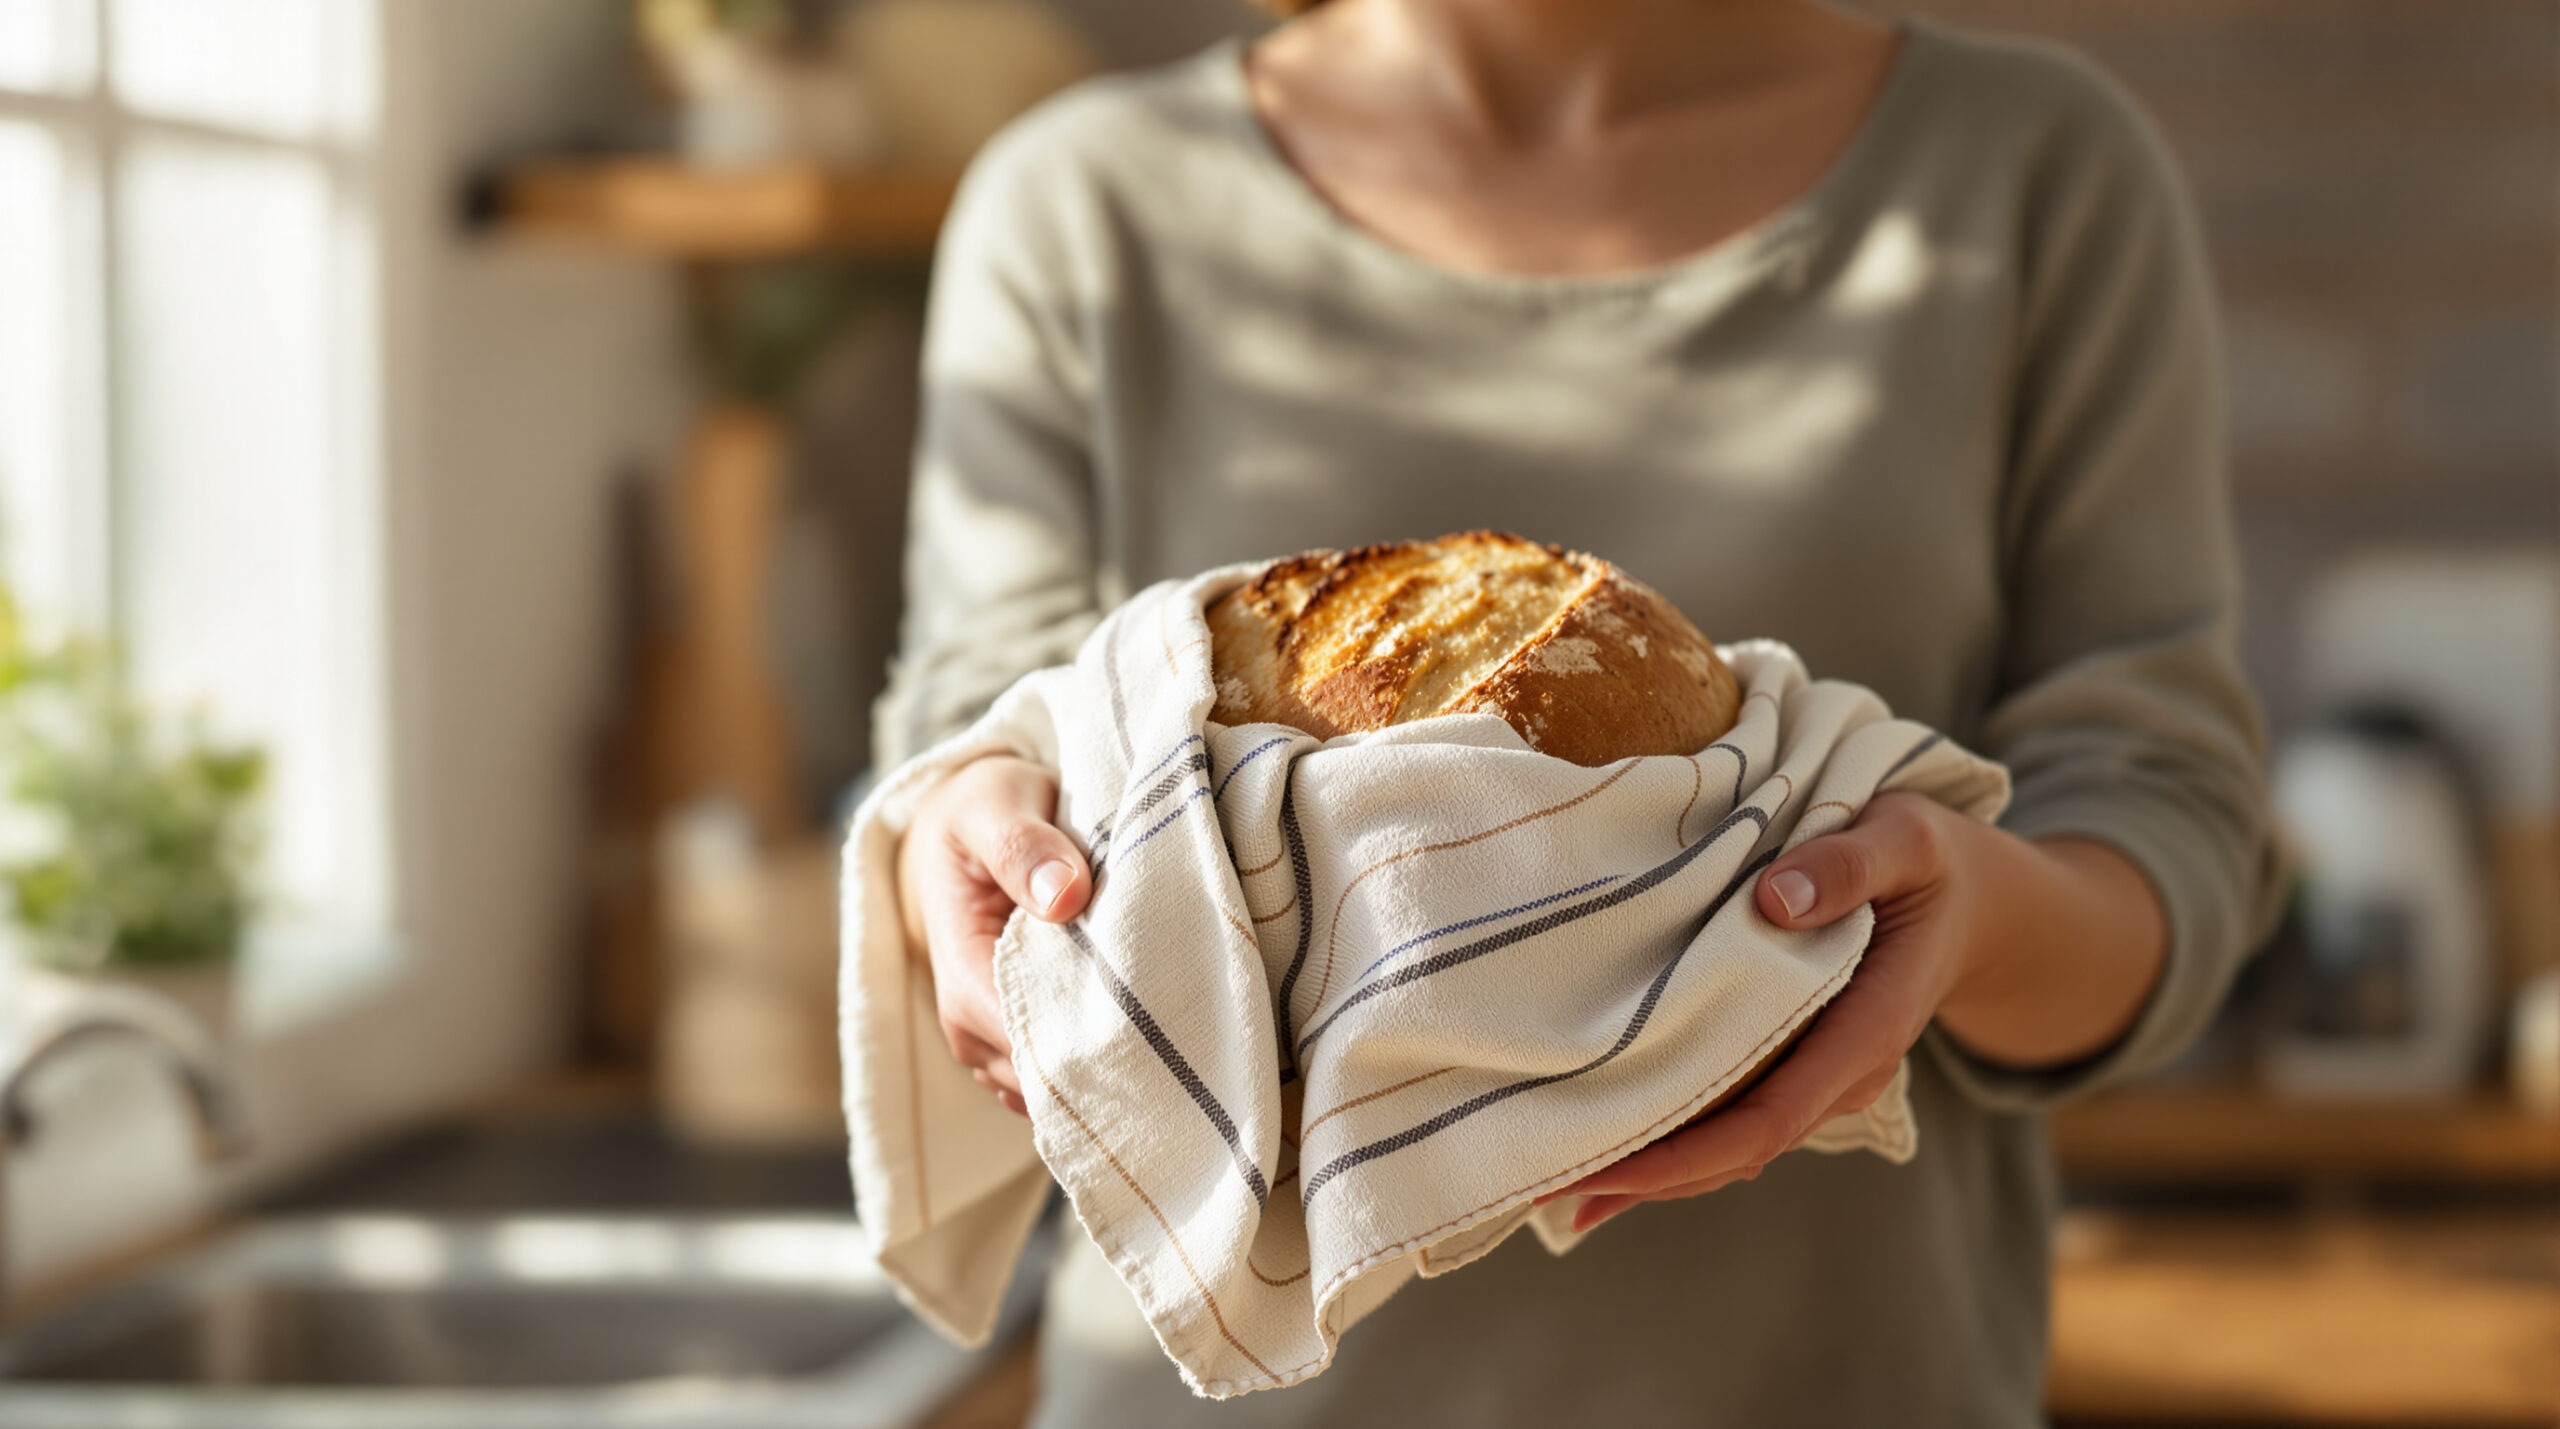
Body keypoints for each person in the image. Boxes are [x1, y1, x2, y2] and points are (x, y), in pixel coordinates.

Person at [879, 0, 2281, 1423]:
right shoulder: (1085, 205)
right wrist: (965, 842)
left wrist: (1969, 907)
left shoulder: (2035, 174)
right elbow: (975, 748)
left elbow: (2159, 819)